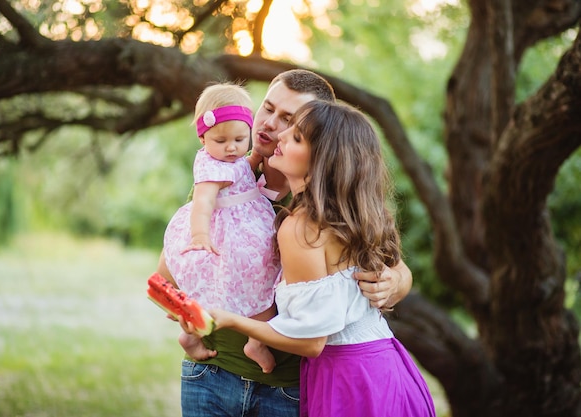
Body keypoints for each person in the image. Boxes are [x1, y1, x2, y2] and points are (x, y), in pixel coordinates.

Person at [157, 69, 413, 417]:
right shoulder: (224, 177)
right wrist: (191, 318)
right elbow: (171, 272)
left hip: (288, 389)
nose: (269, 124)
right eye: (268, 108)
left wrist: (395, 282)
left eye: (289, 120)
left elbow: (388, 261)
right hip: (213, 373)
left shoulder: (319, 200)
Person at [208, 99, 436, 417]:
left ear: (321, 162)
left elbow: (311, 340)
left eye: (297, 137)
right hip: (386, 365)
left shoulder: (301, 228)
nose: (282, 136)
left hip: (348, 377)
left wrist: (232, 320)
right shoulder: (351, 218)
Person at [161, 83, 279, 373]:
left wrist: (253, 158)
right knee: (217, 286)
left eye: (240, 139)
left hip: (247, 229)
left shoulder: (238, 157)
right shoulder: (210, 168)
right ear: (203, 137)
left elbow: (244, 168)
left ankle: (251, 340)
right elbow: (202, 203)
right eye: (221, 140)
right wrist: (200, 236)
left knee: (260, 285)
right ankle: (208, 337)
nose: (231, 148)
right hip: (224, 235)